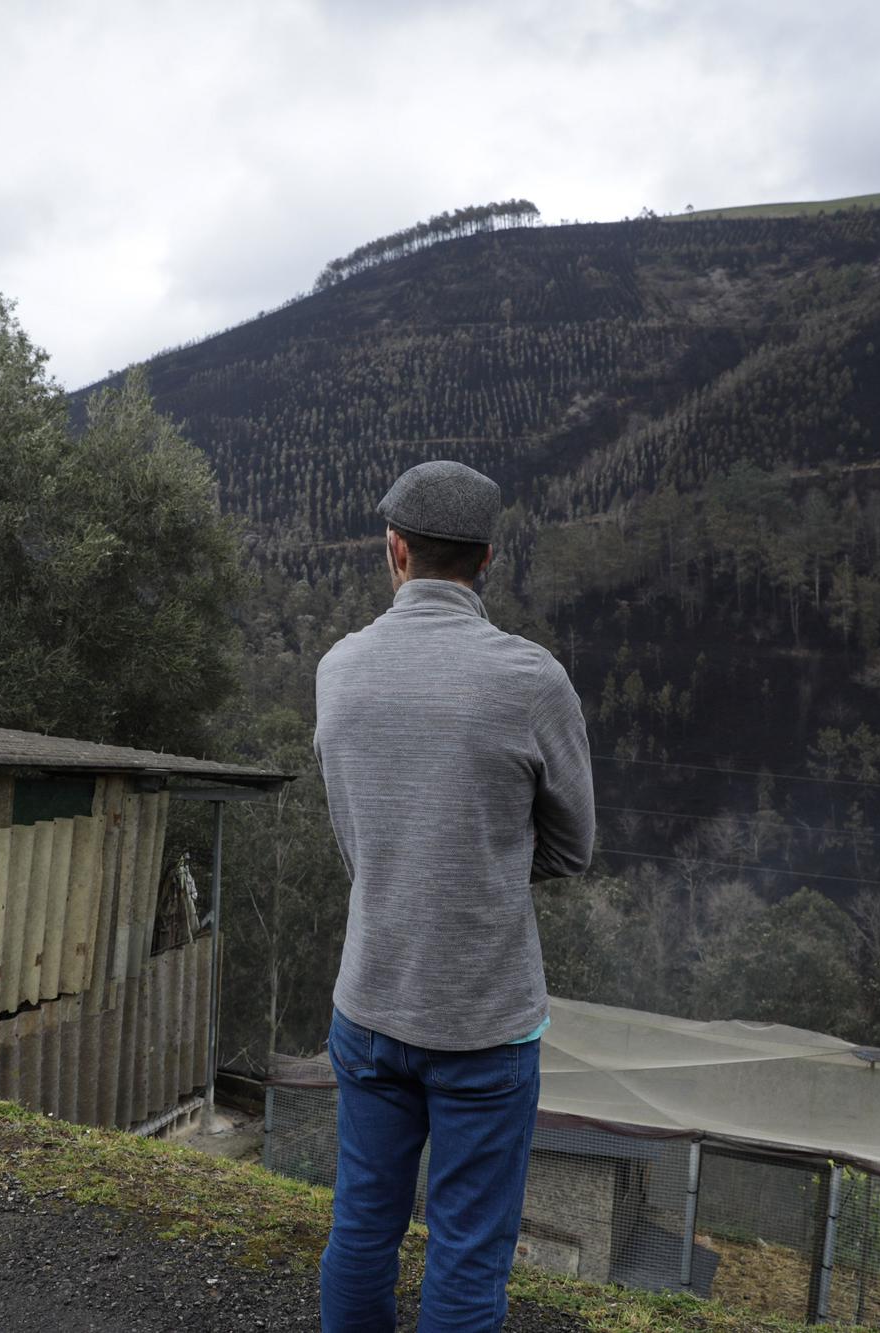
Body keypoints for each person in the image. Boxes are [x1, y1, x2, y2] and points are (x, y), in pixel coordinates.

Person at [313, 461, 594, 1332]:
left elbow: (357, 837)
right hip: (485, 1023)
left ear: (395, 550)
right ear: (486, 560)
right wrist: (482, 866)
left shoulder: (338, 669)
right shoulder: (531, 679)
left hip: (370, 1003)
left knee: (362, 1226)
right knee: (468, 1253)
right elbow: (573, 847)